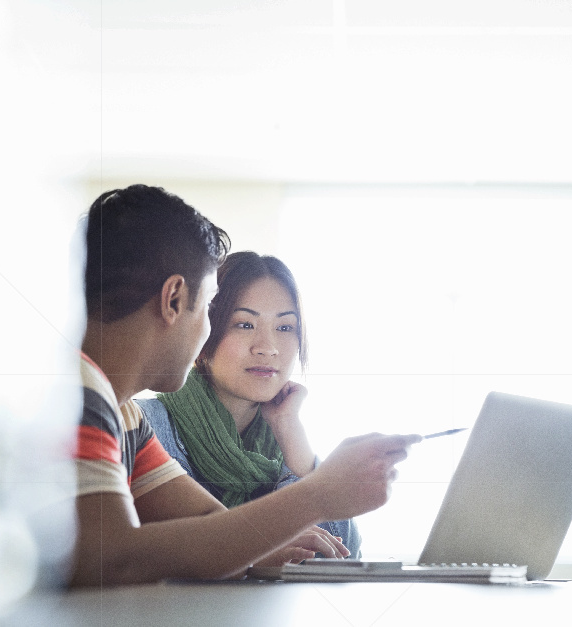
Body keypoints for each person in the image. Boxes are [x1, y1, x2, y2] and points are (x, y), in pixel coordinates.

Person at [72, 184, 421, 586]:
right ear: (173, 300)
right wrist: (318, 494)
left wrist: (262, 550)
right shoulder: (74, 392)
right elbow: (114, 558)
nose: (205, 330)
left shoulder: (124, 413)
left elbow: (210, 524)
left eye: (286, 327)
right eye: (208, 308)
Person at [137, 251, 362, 556]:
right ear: (204, 333)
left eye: (284, 328)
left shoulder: (286, 443)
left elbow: (343, 555)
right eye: (244, 324)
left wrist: (295, 444)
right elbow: (136, 554)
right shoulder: (143, 425)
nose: (267, 348)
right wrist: (256, 551)